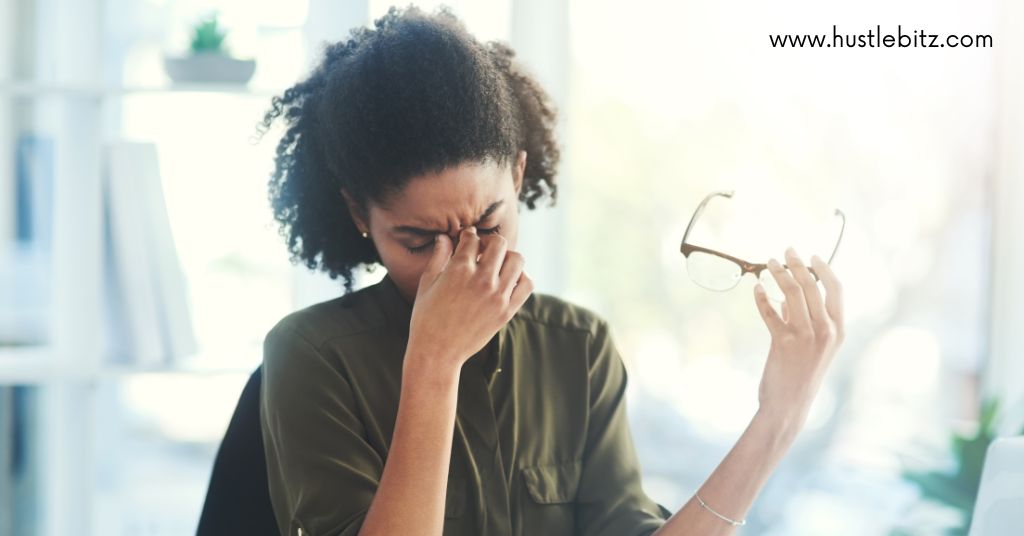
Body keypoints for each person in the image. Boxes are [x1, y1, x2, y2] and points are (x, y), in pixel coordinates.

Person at [256, 5, 845, 536]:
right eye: (418, 241)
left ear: (517, 176)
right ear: (360, 213)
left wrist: (781, 416)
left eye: (488, 225)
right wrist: (433, 363)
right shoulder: (312, 355)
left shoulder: (579, 349)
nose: (466, 263)